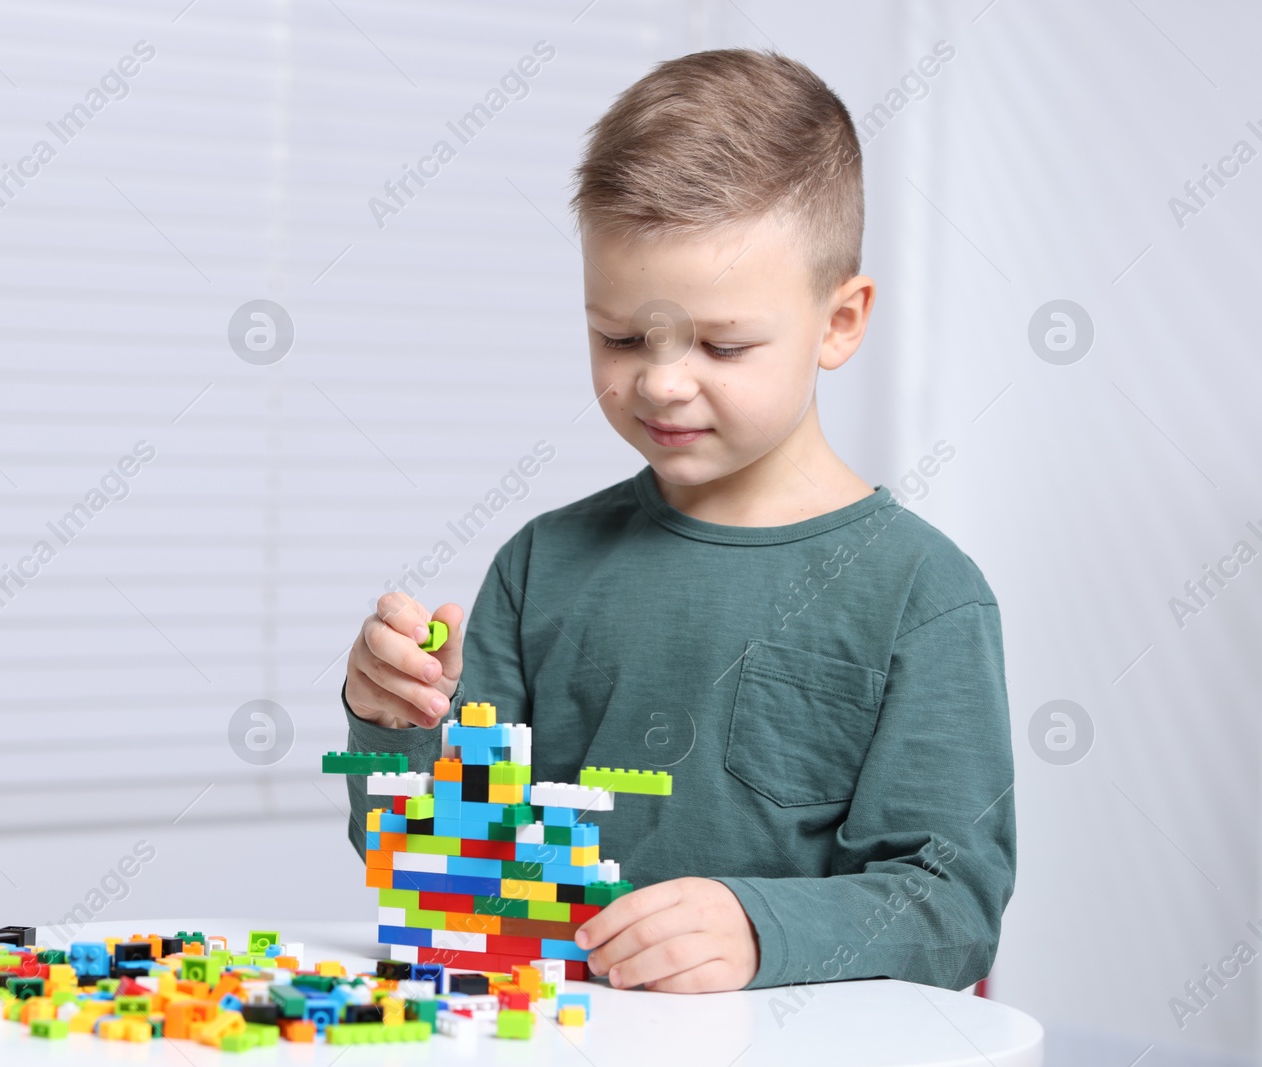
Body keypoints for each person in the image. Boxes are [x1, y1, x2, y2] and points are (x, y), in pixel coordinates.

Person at [340, 48, 1015, 994]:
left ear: (840, 323)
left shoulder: (921, 593)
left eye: (723, 342)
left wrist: (759, 927)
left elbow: (951, 907)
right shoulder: (541, 564)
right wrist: (390, 721)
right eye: (620, 336)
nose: (659, 379)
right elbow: (432, 868)